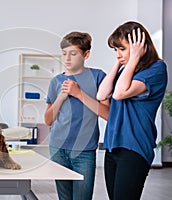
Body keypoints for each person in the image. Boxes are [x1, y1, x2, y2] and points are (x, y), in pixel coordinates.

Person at [96, 21, 168, 200]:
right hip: (113, 146)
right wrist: (118, 64)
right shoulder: (125, 72)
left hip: (134, 146)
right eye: (115, 50)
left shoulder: (157, 68)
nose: (119, 54)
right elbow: (101, 94)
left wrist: (134, 58)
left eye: (122, 49)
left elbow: (119, 94)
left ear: (139, 46)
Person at [44, 31, 109, 200]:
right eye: (64, 53)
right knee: (64, 198)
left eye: (73, 54)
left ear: (86, 54)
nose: (67, 58)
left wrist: (79, 94)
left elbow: (107, 114)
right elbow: (48, 119)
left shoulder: (98, 77)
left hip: (85, 151)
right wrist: (60, 97)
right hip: (58, 148)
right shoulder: (56, 81)